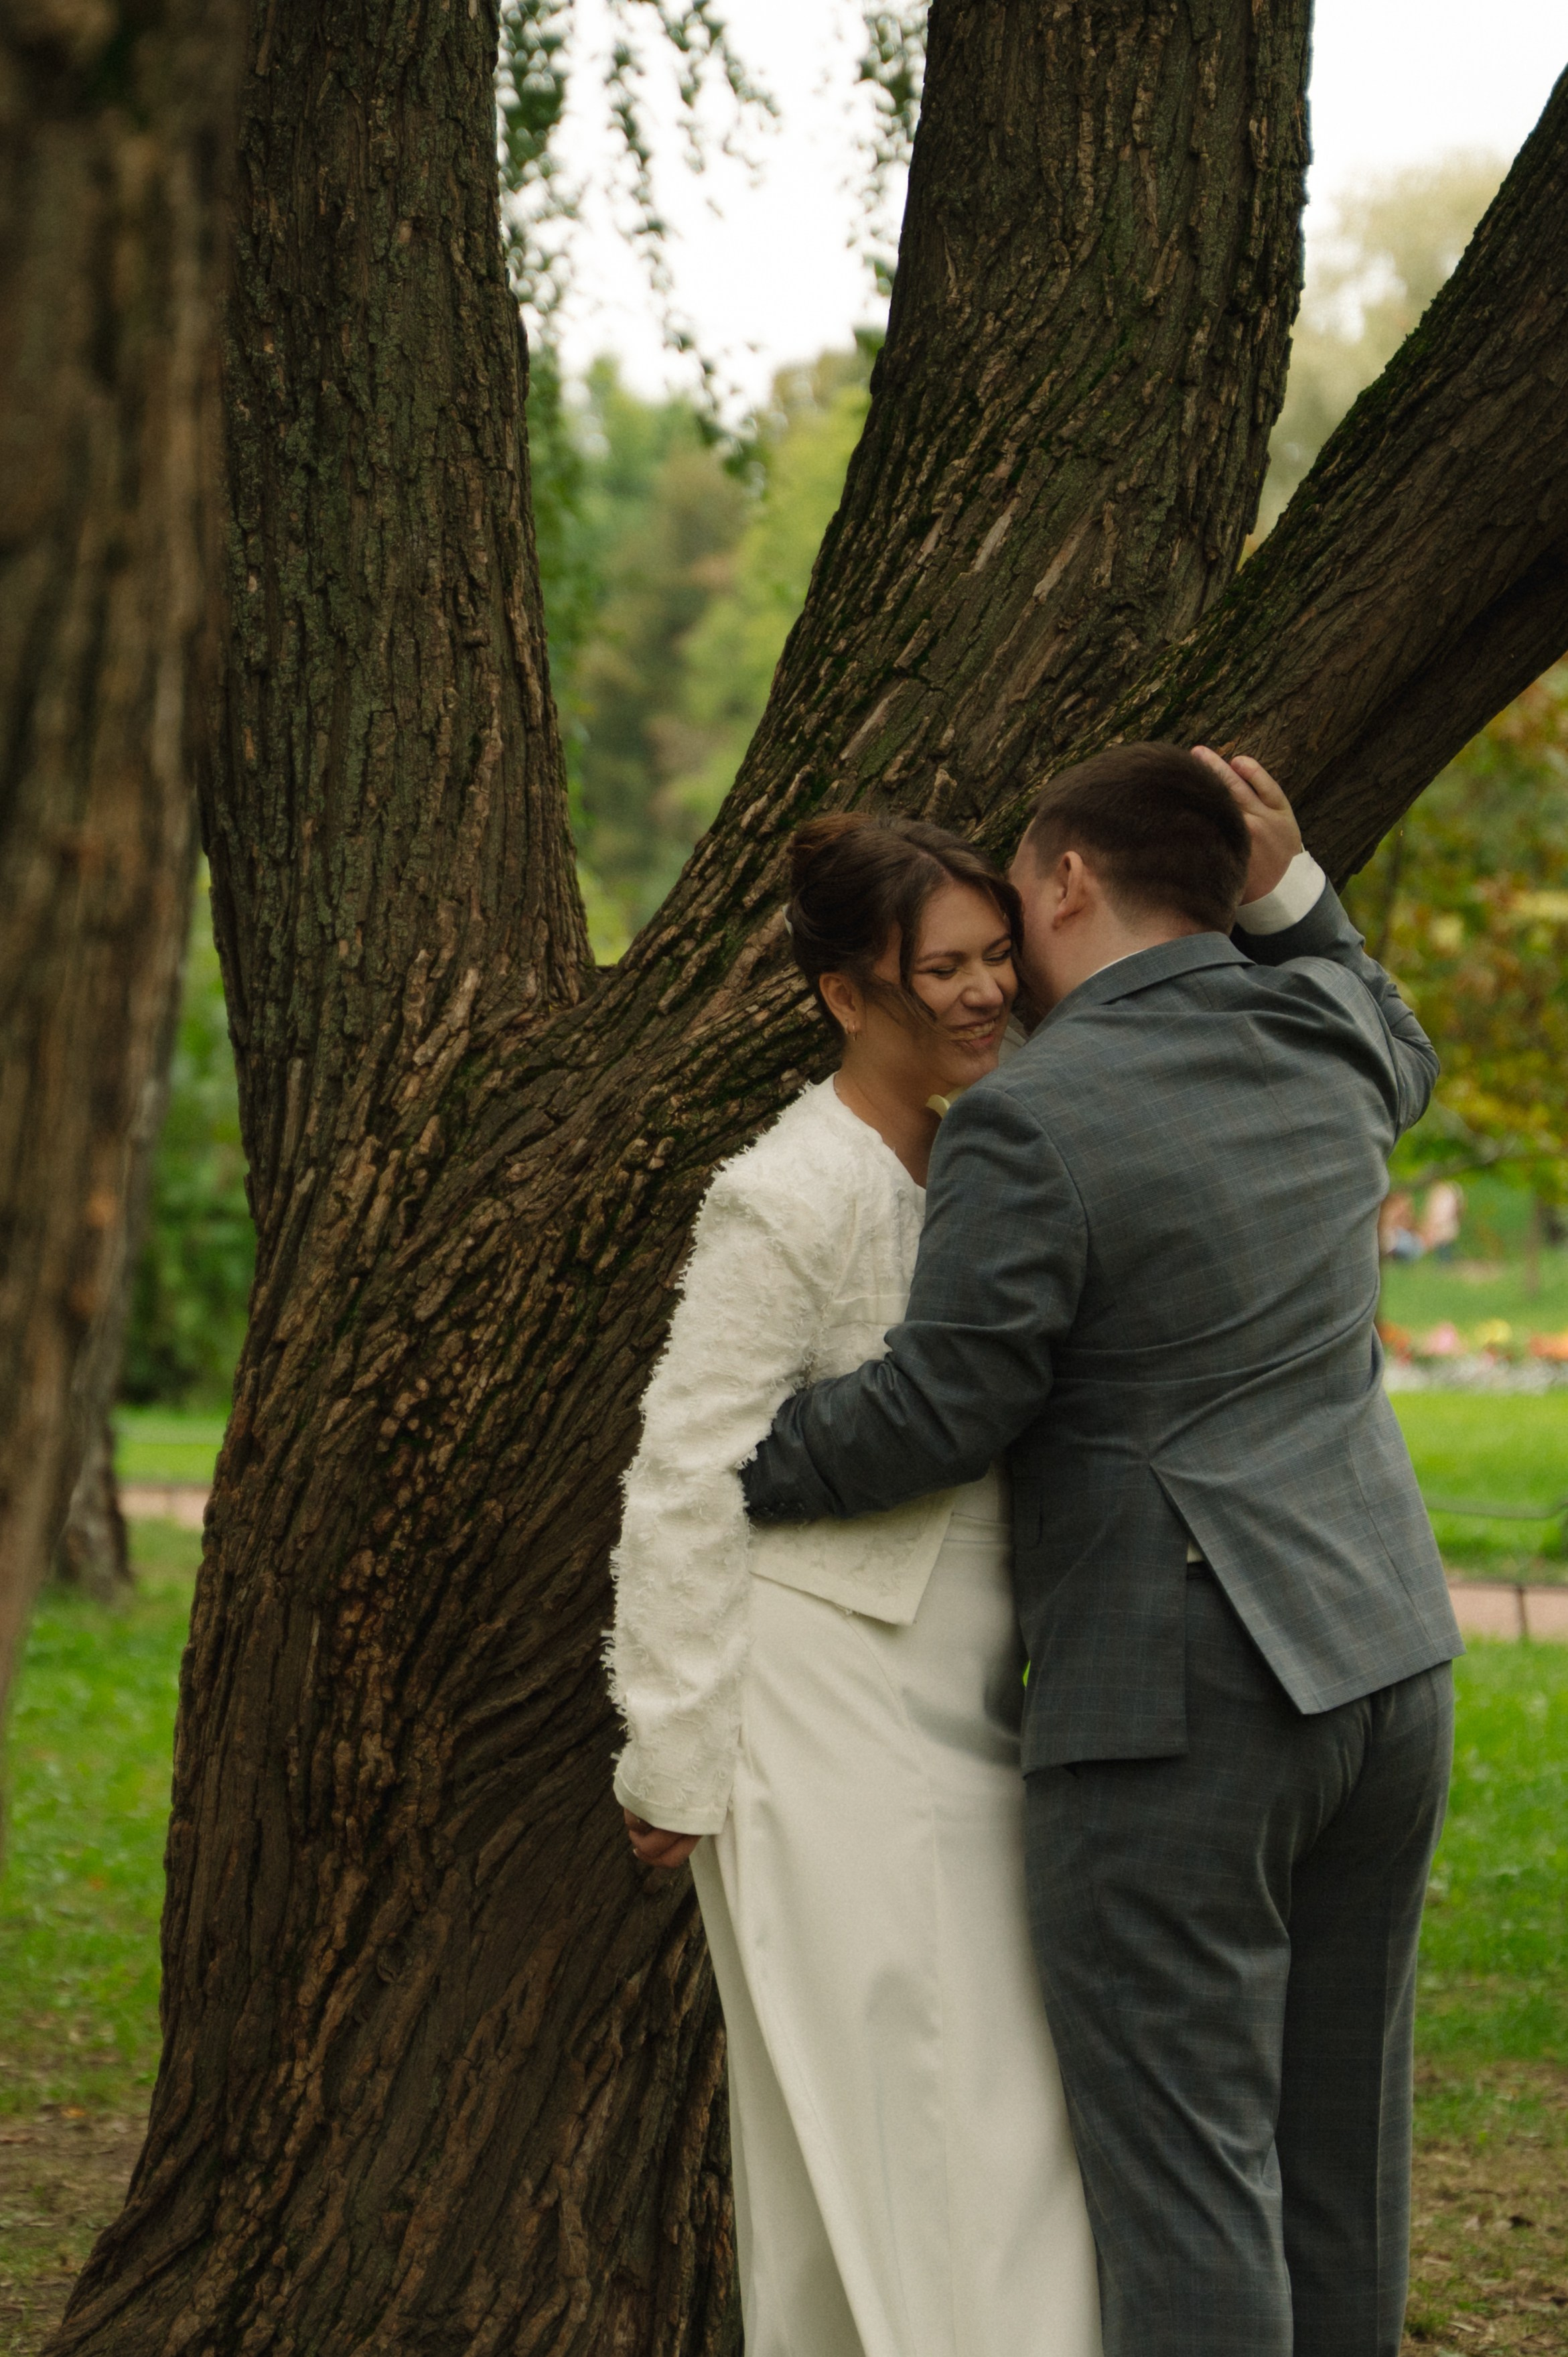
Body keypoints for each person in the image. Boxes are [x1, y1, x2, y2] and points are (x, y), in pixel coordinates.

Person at [741, 744, 1463, 2357]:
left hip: (1175, 1700)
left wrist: (727, 1454)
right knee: (1337, 2165)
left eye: (1017, 888)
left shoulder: (1028, 1116)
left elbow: (941, 1409)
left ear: (1067, 881)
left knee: (1192, 2183)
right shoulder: (1327, 1026)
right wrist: (1293, 890)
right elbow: (1402, 1040)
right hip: (1385, 1659)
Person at [606, 813, 1102, 2357]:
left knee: (985, 2101)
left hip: (979, 1679)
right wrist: (673, 1751)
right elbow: (686, 1466)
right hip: (822, 1698)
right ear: (844, 994)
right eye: (941, 969)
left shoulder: (999, 1140)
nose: (985, 991)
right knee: (898, 2098)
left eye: (995, 957)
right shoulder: (785, 1192)